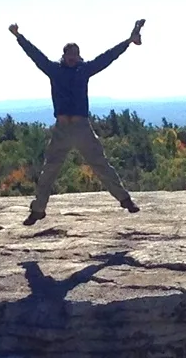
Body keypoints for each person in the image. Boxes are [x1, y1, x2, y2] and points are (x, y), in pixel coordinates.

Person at [10, 18, 145, 223]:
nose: (72, 58)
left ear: (78, 56)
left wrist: (127, 42)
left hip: (82, 128)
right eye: (69, 54)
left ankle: (125, 200)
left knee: (101, 165)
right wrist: (19, 37)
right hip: (62, 129)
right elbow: (35, 55)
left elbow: (107, 57)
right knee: (50, 170)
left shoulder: (84, 70)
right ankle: (38, 209)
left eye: (75, 54)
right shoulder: (54, 70)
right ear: (64, 56)